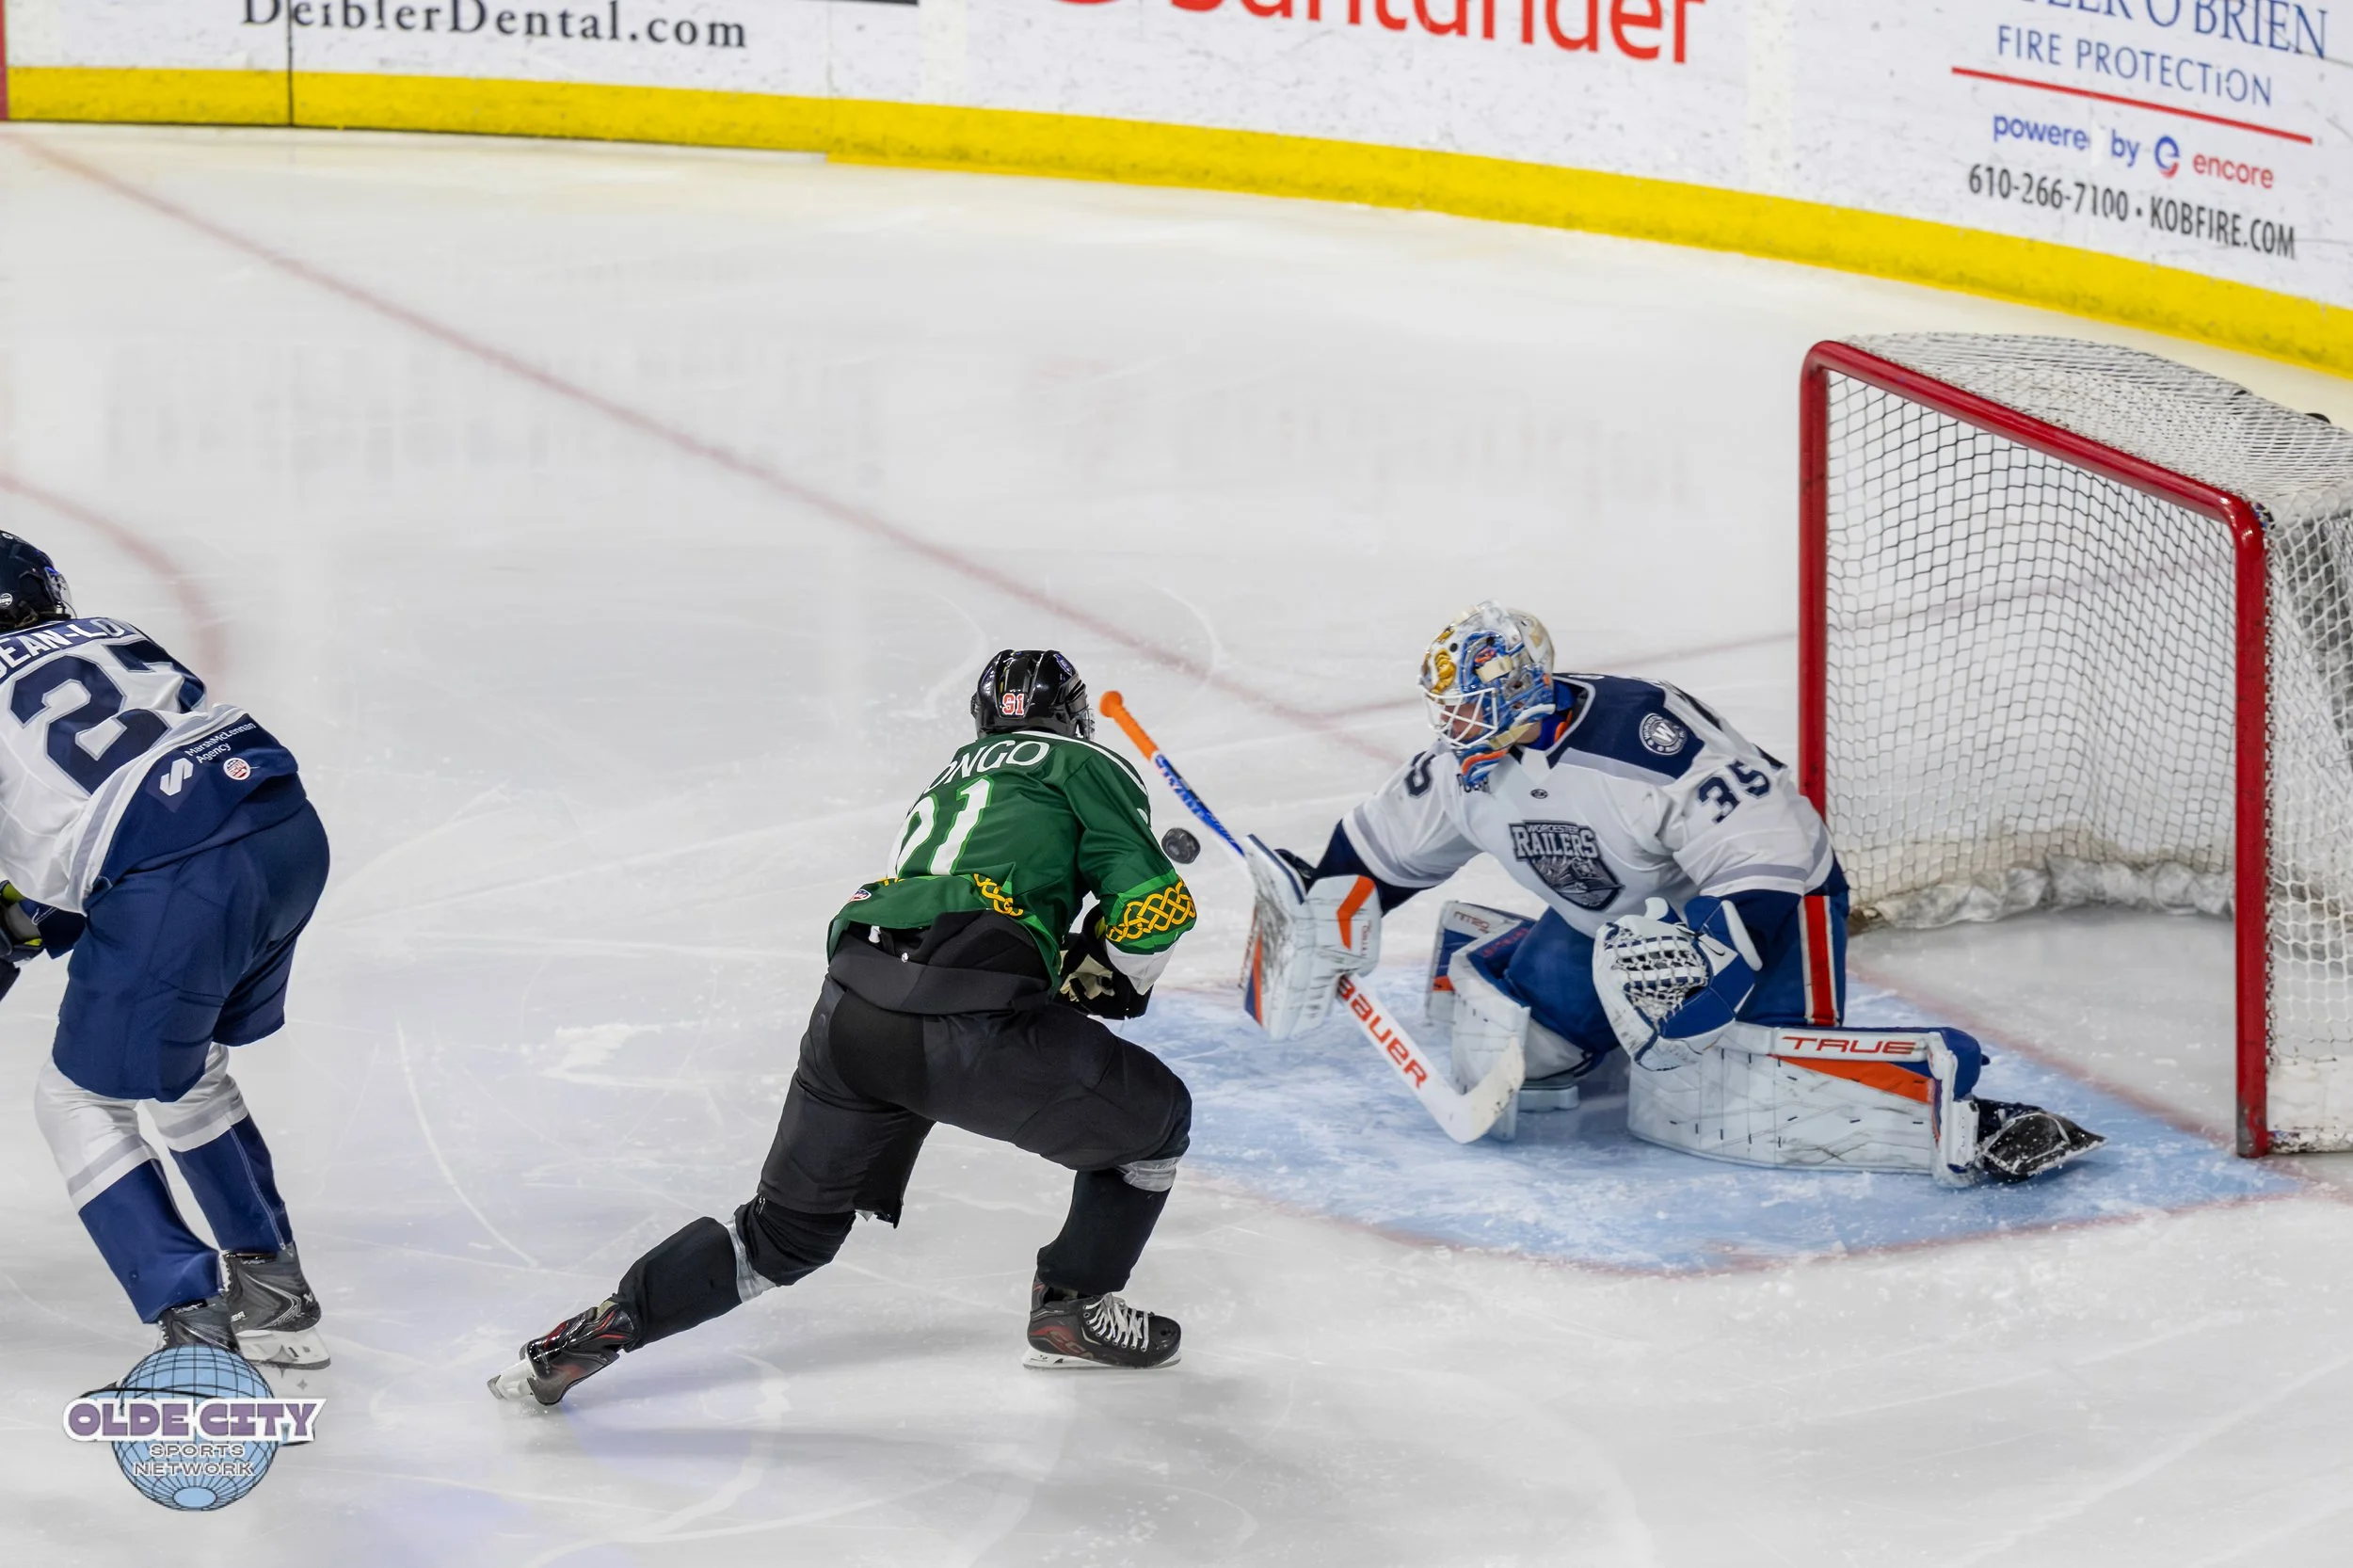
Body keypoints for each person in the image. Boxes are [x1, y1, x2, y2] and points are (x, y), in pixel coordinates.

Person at [492, 649, 1199, 1405]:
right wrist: (1112, 973)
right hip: (968, 1019)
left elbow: (970, 893)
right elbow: (1154, 909)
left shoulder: (952, 779)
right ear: (1075, 716)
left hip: (854, 1011)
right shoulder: (1088, 764)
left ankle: (595, 1333)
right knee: (1156, 1124)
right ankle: (1072, 1309)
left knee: (779, 1238)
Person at [1252, 600, 2100, 1184]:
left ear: (1521, 692)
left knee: (1738, 1107)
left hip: (1769, 908)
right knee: (1514, 1054)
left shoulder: (1645, 737)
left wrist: (1705, 963)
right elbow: (1380, 850)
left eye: (1472, 710)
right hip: (1610, 922)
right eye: (1449, 710)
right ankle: (1502, 952)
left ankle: (1970, 1116)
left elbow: (1774, 850)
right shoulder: (1461, 768)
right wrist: (1330, 905)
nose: (1455, 729)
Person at [0, 534, 331, 1362]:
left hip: (175, 877)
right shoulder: (114, 634)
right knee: (187, 1069)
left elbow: (80, 849)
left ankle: (191, 1319)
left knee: (76, 1099)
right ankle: (272, 1285)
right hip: (284, 830)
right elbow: (110, 789)